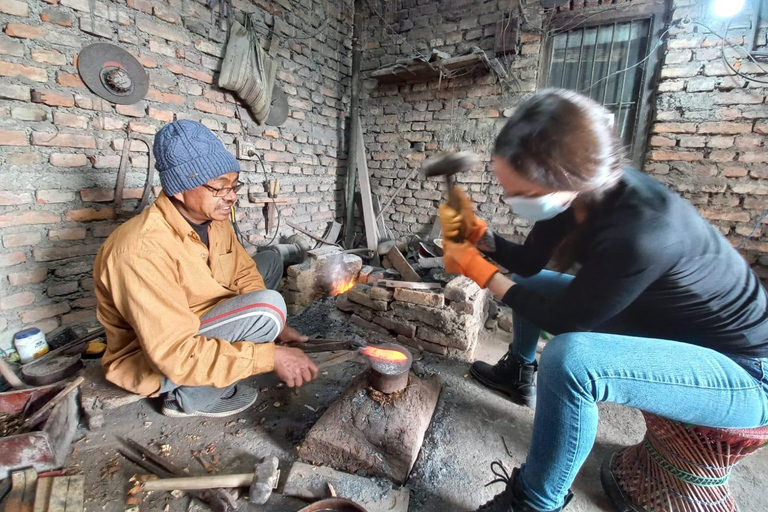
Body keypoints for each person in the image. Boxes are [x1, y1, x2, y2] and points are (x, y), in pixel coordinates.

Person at [438, 89, 768, 512]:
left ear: (560, 177)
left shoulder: (642, 229)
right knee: (532, 282)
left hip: (741, 369)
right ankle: (518, 373)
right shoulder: (574, 197)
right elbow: (529, 261)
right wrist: (480, 237)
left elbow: (569, 320)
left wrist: (482, 272)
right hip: (664, 326)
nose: (509, 200)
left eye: (516, 190)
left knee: (569, 359)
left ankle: (535, 502)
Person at [94, 120, 318, 419]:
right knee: (268, 306)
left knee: (270, 262)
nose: (232, 195)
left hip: (203, 313)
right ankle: (186, 399)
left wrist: (277, 329)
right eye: (219, 186)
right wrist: (267, 355)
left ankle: (251, 333)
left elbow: (242, 272)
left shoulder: (214, 221)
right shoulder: (139, 250)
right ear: (179, 190)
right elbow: (175, 353)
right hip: (160, 355)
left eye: (234, 185)